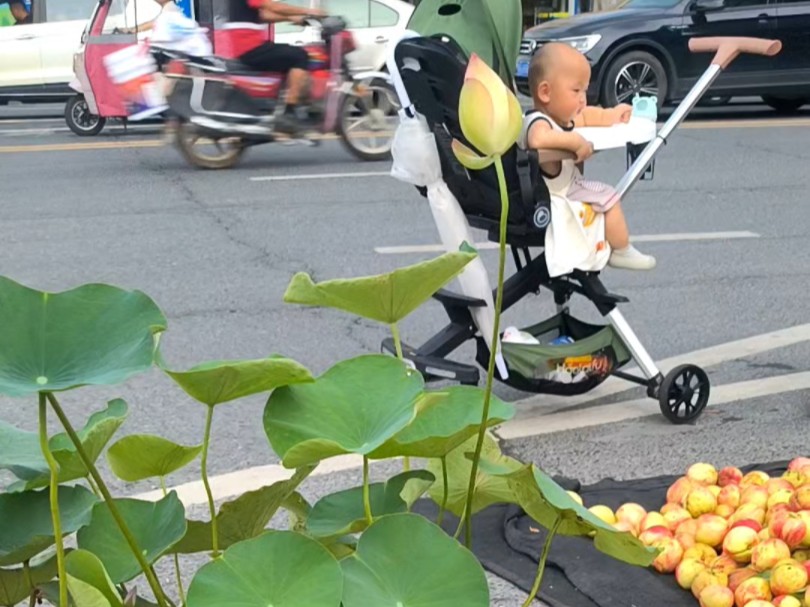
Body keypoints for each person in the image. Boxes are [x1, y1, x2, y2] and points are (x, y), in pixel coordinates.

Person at [521, 42, 656, 273]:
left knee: (604, 194)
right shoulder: (538, 121)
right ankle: (621, 250)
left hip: (567, 186)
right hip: (554, 195)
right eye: (576, 91)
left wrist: (612, 115)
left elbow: (585, 117)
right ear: (545, 92)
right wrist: (575, 142)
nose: (583, 99)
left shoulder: (559, 118)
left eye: (585, 90)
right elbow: (538, 140)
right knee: (608, 198)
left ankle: (618, 247)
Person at [236, 0, 326, 134]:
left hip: (247, 46)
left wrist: (289, 17)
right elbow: (272, 6)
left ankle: (286, 105)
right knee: (299, 56)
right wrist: (309, 11)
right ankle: (288, 112)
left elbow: (263, 15)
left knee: (287, 57)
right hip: (248, 47)